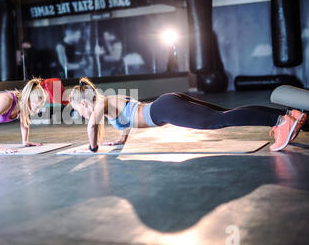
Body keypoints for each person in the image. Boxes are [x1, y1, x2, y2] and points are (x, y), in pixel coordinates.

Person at [68, 77, 308, 153]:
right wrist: (121, 139)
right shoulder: (110, 103)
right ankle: (288, 116)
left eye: (78, 109)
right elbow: (128, 121)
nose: (80, 113)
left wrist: (92, 148)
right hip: (166, 104)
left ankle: (281, 121)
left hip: (164, 109)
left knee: (220, 120)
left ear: (83, 103)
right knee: (224, 114)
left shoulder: (102, 102)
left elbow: (91, 127)